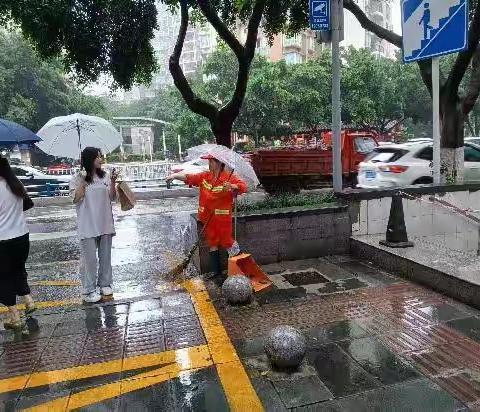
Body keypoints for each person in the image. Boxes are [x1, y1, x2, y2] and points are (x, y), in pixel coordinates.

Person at [166, 154, 248, 279]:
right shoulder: (205, 176)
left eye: (211, 161)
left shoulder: (228, 178)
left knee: (227, 242)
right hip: (208, 218)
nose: (209, 164)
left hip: (222, 219)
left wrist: (232, 186)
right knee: (213, 243)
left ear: (219, 163)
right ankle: (216, 273)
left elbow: (243, 187)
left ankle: (242, 269)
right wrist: (174, 176)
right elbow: (190, 178)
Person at [70, 147, 118, 303]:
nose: (101, 159)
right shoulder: (77, 178)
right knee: (89, 260)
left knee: (105, 257)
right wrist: (83, 181)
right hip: (87, 224)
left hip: (104, 222)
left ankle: (105, 283)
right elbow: (75, 199)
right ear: (89, 159)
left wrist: (113, 182)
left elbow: (112, 197)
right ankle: (88, 289)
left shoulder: (105, 176)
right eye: (98, 157)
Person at [0, 155, 36, 330]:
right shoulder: (15, 184)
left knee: (4, 277)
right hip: (22, 237)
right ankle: (29, 301)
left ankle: (15, 317)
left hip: (3, 240)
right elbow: (27, 204)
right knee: (18, 269)